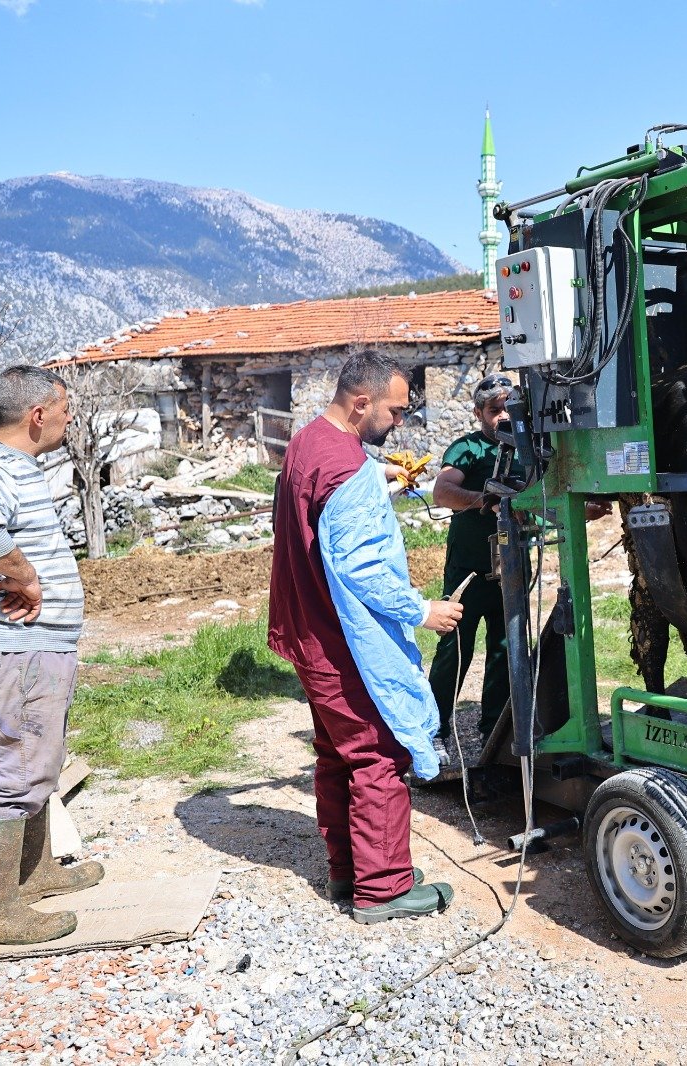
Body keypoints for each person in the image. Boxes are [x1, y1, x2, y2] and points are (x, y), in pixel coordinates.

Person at [269, 351, 464, 924]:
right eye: (394, 410)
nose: (399, 422)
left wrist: (380, 484)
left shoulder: (309, 442)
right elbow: (362, 568)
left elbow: (329, 514)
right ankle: (383, 888)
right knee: (380, 751)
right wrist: (420, 610)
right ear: (361, 403)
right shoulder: (346, 467)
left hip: (306, 629)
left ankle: (348, 871)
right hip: (340, 640)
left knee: (337, 753)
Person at [0, 365, 102, 946]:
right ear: (37, 415)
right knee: (11, 773)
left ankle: (29, 879)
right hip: (15, 651)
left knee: (37, 764)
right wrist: (26, 576)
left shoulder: (11, 468)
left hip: (33, 651)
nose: (68, 417)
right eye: (63, 408)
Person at [426, 375, 611, 747]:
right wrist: (486, 501)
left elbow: (540, 506)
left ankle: (493, 730)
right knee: (454, 649)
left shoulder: (531, 452)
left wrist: (581, 511)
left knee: (505, 649)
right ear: (479, 413)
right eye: (493, 410)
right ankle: (433, 729)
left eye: (507, 409)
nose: (501, 417)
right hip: (470, 569)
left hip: (512, 566)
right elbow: (443, 492)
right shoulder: (468, 449)